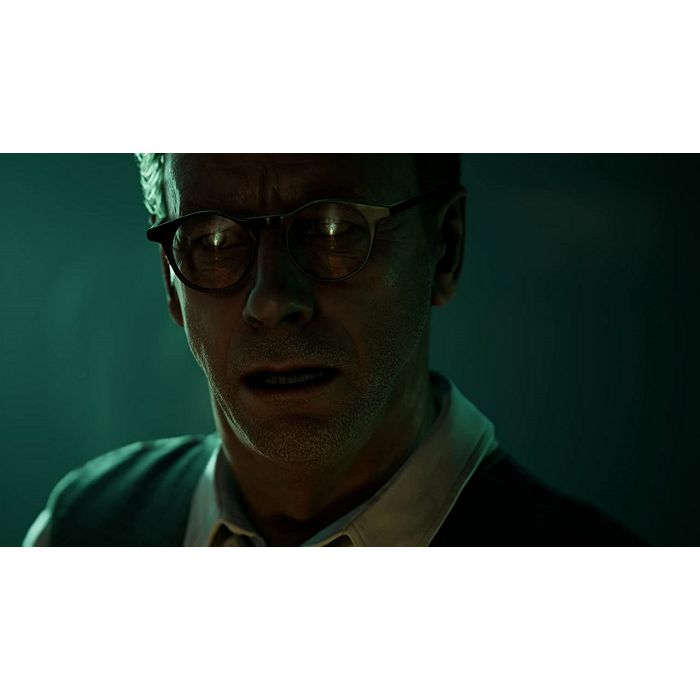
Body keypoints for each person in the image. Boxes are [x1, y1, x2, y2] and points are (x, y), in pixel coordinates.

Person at [23, 154, 644, 546]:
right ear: (170, 283)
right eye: (212, 240)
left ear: (444, 248)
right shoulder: (80, 535)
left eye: (334, 228)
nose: (272, 299)